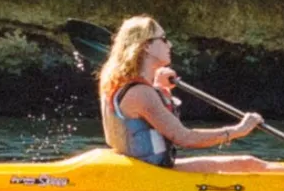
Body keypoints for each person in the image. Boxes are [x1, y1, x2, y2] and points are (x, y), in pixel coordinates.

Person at [97, 15, 270, 172]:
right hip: (153, 175)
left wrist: (160, 88)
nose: (169, 45)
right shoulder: (141, 93)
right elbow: (185, 137)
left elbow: (144, 116)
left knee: (248, 163)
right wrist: (238, 130)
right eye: (163, 39)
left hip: (150, 168)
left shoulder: (118, 83)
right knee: (249, 164)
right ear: (147, 46)